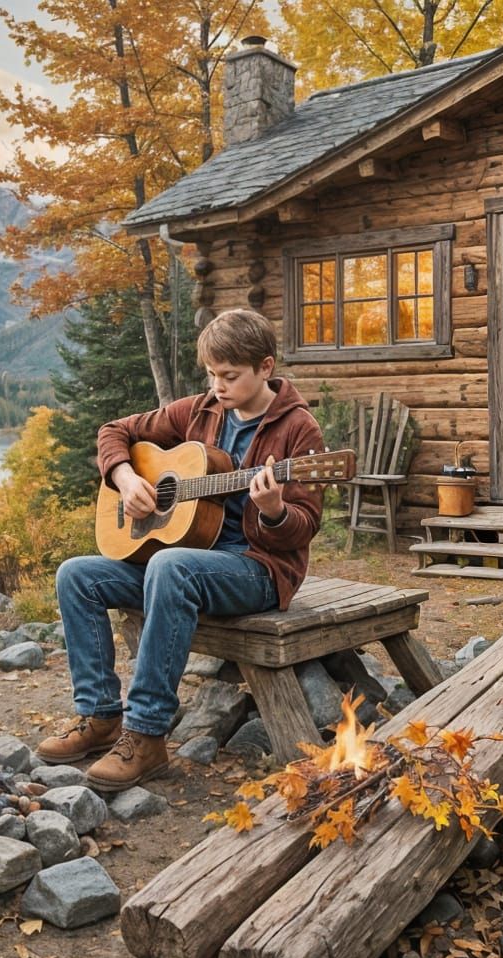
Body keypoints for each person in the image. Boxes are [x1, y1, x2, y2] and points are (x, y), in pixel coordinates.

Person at [38, 308, 325, 790]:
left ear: (266, 367)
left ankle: (147, 735)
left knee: (171, 565)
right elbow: (113, 431)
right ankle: (100, 716)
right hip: (186, 562)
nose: (218, 386)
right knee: (77, 575)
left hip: (257, 568)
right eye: (211, 374)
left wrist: (274, 510)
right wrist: (126, 479)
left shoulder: (300, 430)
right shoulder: (200, 410)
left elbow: (304, 528)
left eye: (229, 376)